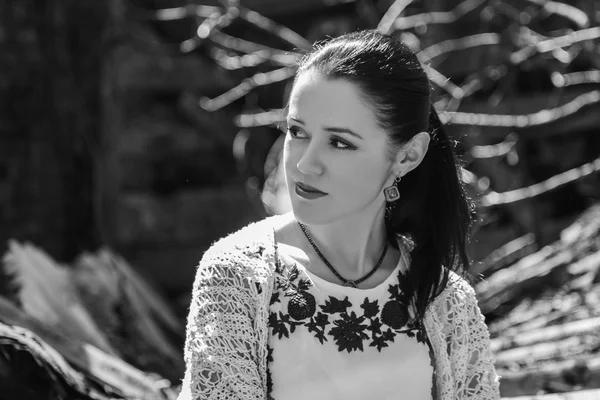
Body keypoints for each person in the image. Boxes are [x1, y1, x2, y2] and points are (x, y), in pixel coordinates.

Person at [178, 29, 501, 400]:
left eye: (340, 142)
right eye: (297, 131)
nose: (305, 163)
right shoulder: (239, 277)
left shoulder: (446, 302)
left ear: (407, 155)